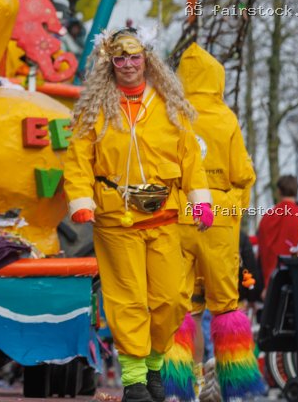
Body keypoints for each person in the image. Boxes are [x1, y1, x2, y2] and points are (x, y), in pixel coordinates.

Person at [65, 27, 212, 402]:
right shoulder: (94, 109)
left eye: (134, 57)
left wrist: (201, 200)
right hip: (116, 220)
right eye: (120, 58)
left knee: (171, 300)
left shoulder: (169, 106)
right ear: (109, 63)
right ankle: (133, 381)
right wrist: (81, 200)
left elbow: (190, 160)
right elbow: (78, 159)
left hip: (164, 217)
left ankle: (154, 366)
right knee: (127, 299)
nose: (128, 65)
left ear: (147, 59)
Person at [161, 44, 263, 402]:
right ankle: (229, 384)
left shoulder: (171, 114)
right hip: (218, 215)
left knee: (183, 306)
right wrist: (234, 208)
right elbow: (243, 174)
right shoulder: (226, 118)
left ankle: (181, 386)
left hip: (179, 212)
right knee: (225, 305)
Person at [257, 175, 298, 286]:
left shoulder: (267, 215)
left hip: (270, 278)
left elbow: (261, 245)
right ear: (297, 191)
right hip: (295, 277)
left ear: (279, 191)